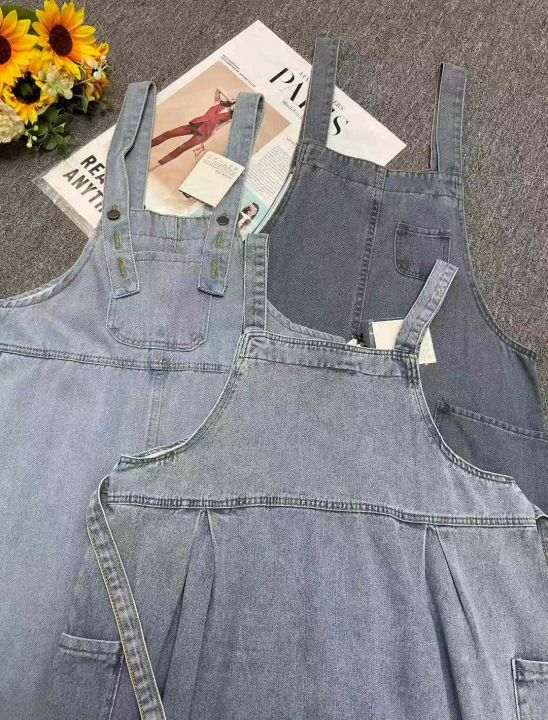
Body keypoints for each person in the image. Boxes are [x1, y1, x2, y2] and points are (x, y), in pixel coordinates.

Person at [150, 87, 236, 168]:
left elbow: (217, 129)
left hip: (203, 135)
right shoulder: (218, 103)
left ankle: (158, 164)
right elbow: (219, 88)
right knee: (170, 133)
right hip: (195, 125)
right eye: (237, 103)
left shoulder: (230, 118)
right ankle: (149, 144)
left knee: (182, 148)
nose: (236, 106)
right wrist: (229, 99)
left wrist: (205, 142)